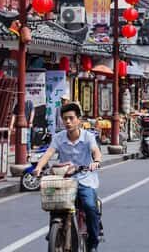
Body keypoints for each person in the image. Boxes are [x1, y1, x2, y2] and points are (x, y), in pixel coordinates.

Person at [34, 102, 102, 251]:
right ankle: (55, 228)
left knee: (90, 206)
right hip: (65, 180)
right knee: (54, 202)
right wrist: (38, 167)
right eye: (65, 119)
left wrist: (96, 161)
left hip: (85, 179)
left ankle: (93, 241)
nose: (68, 122)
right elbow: (48, 154)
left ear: (79, 120)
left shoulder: (88, 136)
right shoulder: (58, 137)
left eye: (71, 118)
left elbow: (96, 151)